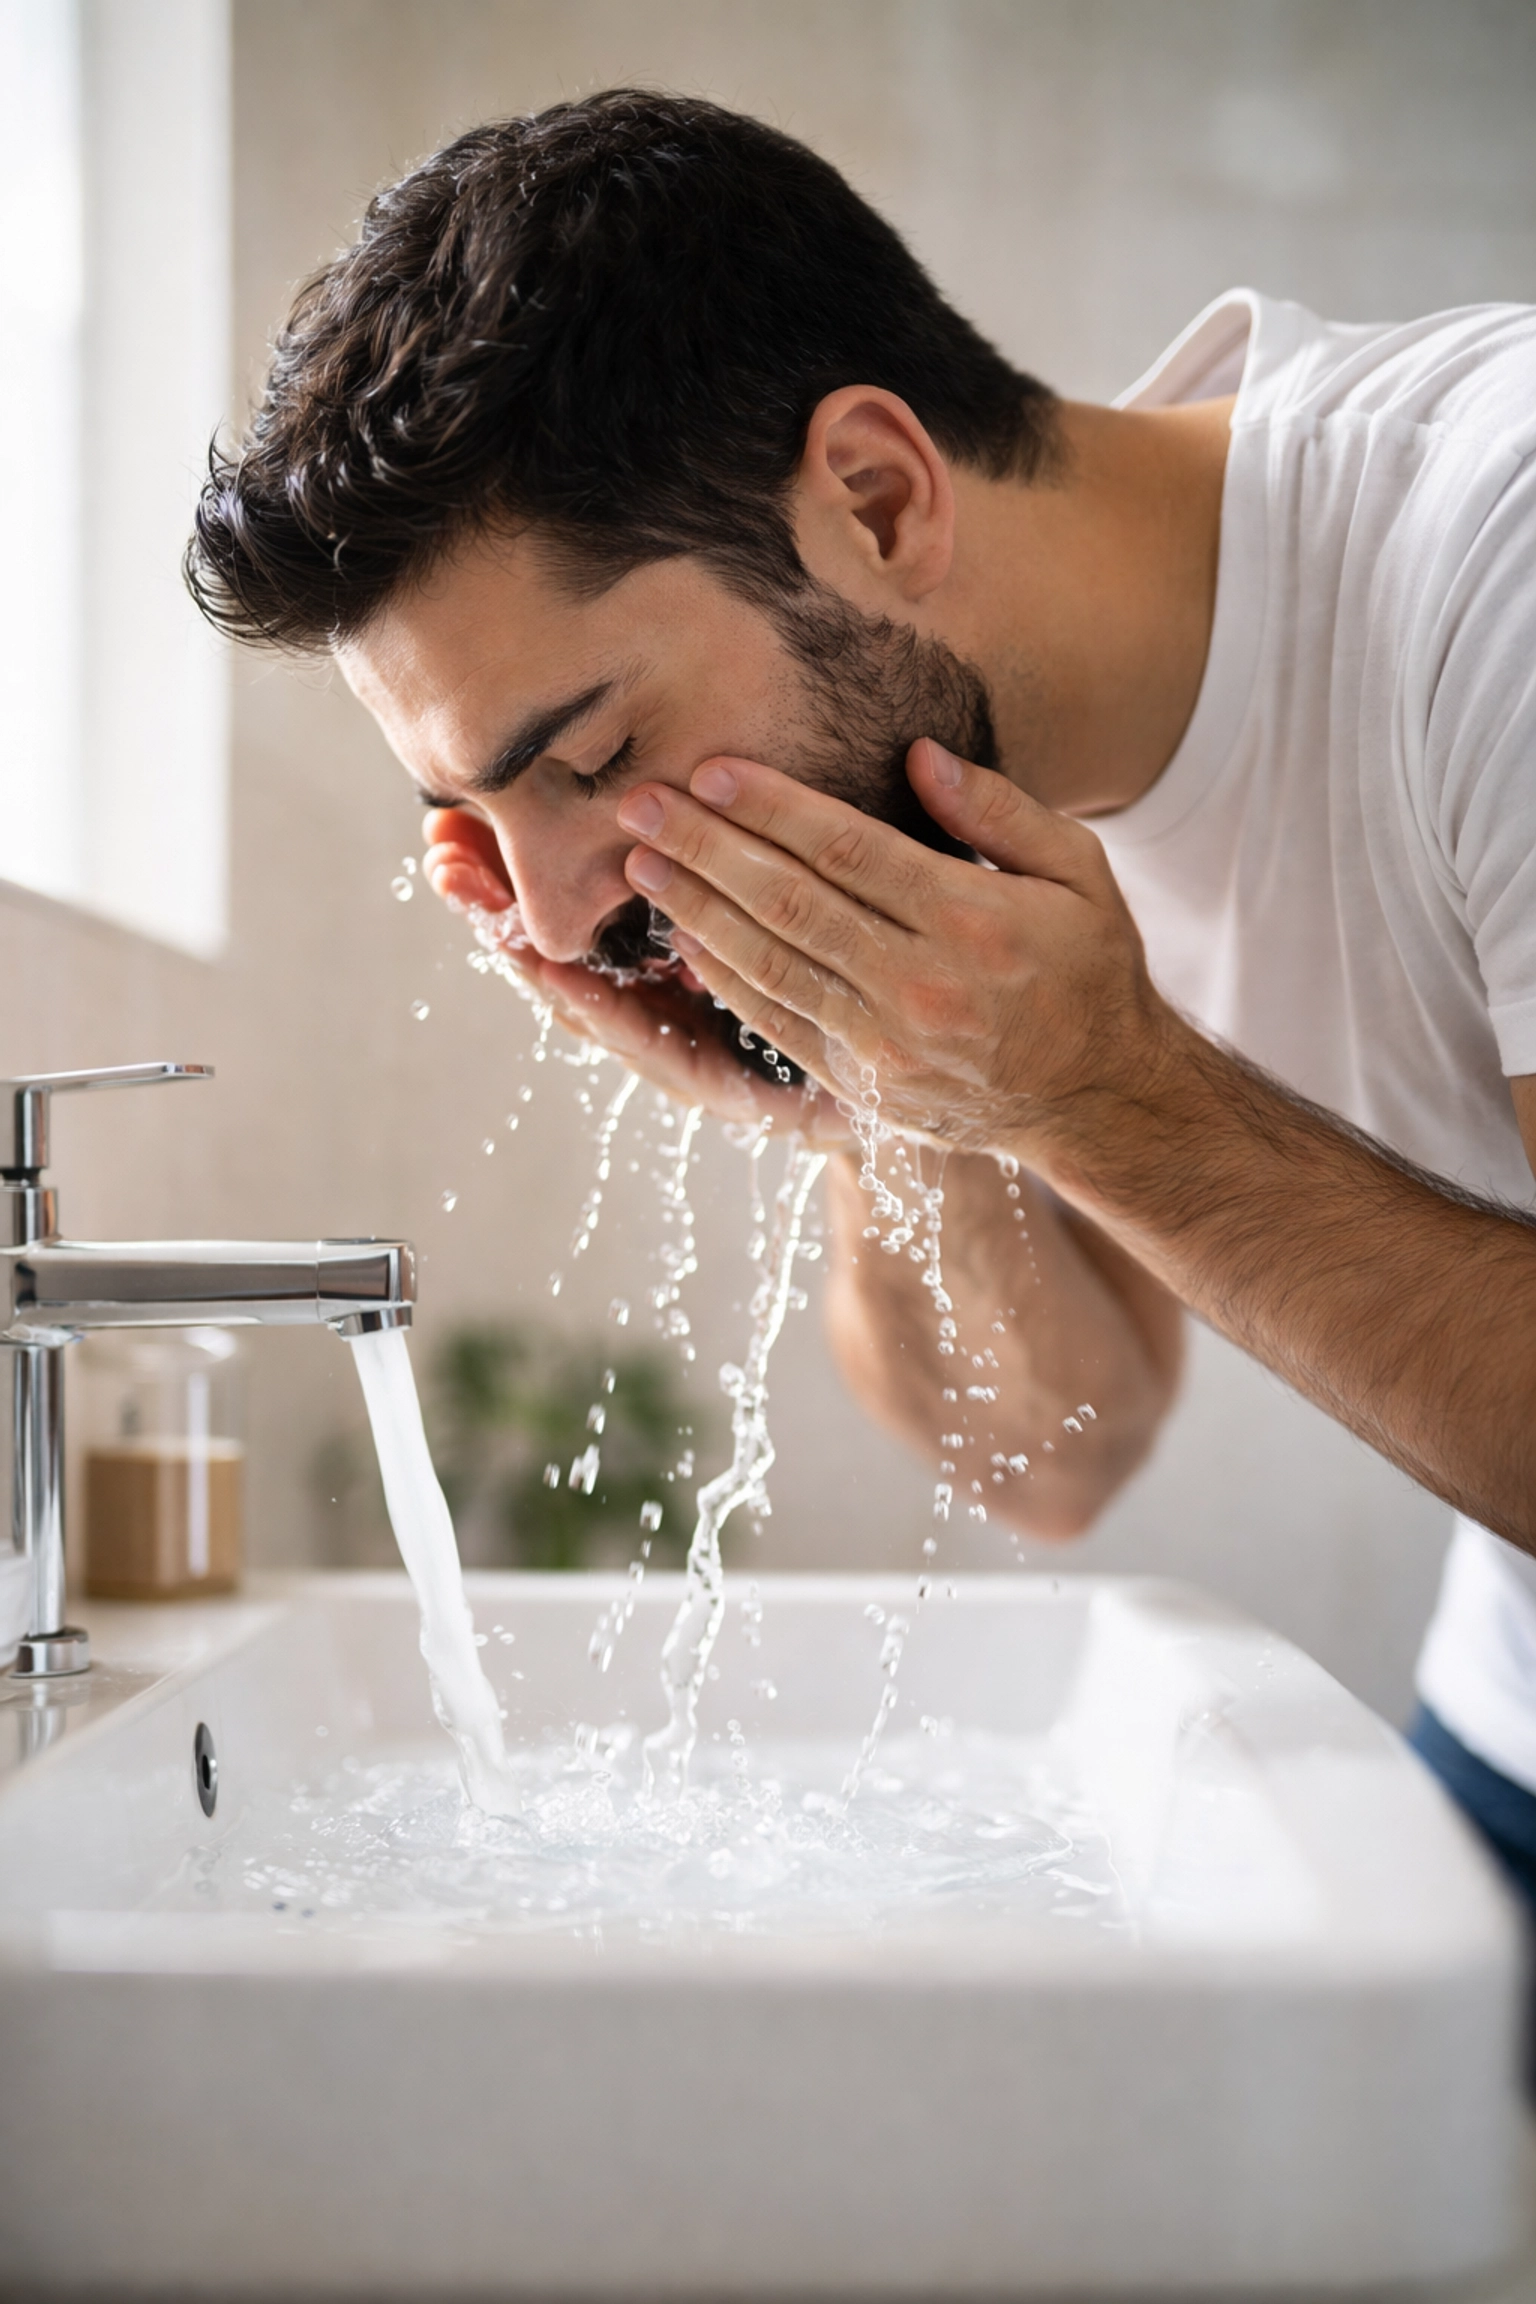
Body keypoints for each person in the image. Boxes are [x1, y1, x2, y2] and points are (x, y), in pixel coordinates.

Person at [186, 91, 1536, 1907]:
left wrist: (1104, 1094)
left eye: (592, 758)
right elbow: (1058, 1459)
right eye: (483, 822)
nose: (562, 920)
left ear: (879, 501)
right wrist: (872, 1098)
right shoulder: (964, 745)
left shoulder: (1496, 559)